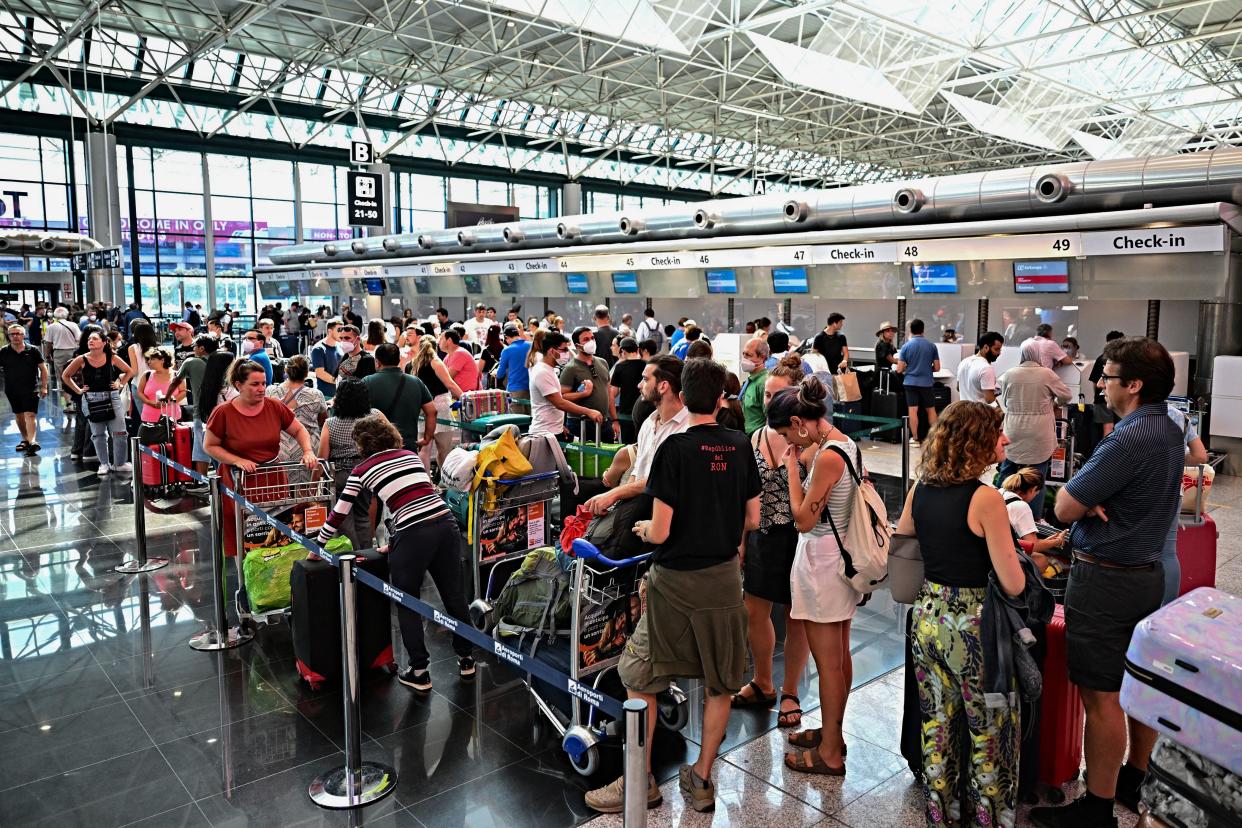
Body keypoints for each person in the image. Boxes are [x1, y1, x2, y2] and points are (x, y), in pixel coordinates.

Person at [585, 358, 760, 815]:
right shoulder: (742, 445)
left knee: (639, 673)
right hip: (723, 580)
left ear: (681, 392)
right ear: (721, 398)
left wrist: (642, 529)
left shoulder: (675, 450)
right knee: (721, 682)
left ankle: (640, 782)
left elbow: (661, 530)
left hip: (674, 581)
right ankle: (701, 779)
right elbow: (754, 518)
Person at [1030, 338, 1186, 828]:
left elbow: (1063, 506)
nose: (1100, 382)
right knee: (1139, 686)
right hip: (1149, 573)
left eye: (1109, 375)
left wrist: (1087, 496)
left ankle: (1096, 808)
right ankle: (1132, 778)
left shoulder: (1131, 436)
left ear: (1134, 385)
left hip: (1108, 581)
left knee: (1102, 697)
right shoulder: (1169, 426)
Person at [894, 401, 1026, 827]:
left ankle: (940, 811)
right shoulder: (986, 499)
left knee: (936, 726)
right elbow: (1013, 583)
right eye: (997, 433)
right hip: (974, 630)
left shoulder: (921, 488)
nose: (1004, 440)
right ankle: (988, 818)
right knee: (989, 731)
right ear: (977, 442)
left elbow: (903, 546)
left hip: (927, 619)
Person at [318, 414, 477, 687]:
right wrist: (395, 543)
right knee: (454, 596)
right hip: (445, 524)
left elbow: (339, 513)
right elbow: (416, 495)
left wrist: (318, 546)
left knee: (407, 599)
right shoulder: (409, 455)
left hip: (413, 534)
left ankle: (419, 671)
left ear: (361, 444)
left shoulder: (361, 470)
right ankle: (466, 659)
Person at [766, 376, 862, 777]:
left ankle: (830, 754)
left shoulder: (826, 456)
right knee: (838, 655)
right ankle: (832, 735)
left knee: (828, 664)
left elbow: (804, 520)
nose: (790, 440)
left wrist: (790, 468)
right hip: (837, 563)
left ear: (799, 421)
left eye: (789, 432)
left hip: (823, 564)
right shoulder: (845, 443)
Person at [732, 355, 810, 730]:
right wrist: (742, 540)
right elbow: (748, 494)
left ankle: (791, 689)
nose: (768, 402)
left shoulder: (810, 442)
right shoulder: (755, 437)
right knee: (755, 611)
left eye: (778, 395)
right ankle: (763, 680)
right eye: (766, 395)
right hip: (764, 534)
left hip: (802, 537)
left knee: (798, 616)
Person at [204, 360, 318, 558]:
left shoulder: (274, 407)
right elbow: (210, 445)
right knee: (245, 533)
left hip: (272, 478)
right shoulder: (223, 412)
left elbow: (299, 429)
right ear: (239, 385)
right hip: (238, 480)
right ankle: (244, 576)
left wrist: (308, 450)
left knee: (275, 531)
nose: (261, 389)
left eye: (264, 383)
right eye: (255, 384)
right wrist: (236, 460)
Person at [997, 342, 1072, 520]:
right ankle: (1033, 520)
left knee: (1007, 470)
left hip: (1014, 428)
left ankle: (998, 510)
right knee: (1036, 478)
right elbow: (1066, 395)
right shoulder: (1047, 374)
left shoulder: (1010, 373)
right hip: (1040, 432)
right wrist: (1053, 403)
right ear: (1038, 354)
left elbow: (1004, 399)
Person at [317, 378, 381, 550]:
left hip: (340, 475)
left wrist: (314, 478)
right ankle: (368, 557)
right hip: (367, 472)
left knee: (344, 520)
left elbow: (322, 457)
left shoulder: (330, 423)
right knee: (363, 516)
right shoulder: (374, 416)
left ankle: (353, 559)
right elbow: (392, 438)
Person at [61, 331, 135, 474]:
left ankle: (120, 463)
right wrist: (78, 390)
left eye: (95, 339)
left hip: (112, 397)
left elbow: (129, 371)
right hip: (90, 398)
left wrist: (120, 384)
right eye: (89, 339)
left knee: (120, 432)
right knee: (98, 434)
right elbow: (65, 375)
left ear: (104, 342)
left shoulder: (112, 357)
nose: (91, 341)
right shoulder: (82, 359)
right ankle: (104, 464)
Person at [1160, 406, 1208, 604]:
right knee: (1168, 552)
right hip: (1173, 490)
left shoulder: (1137, 410)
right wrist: (1178, 458)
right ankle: (1167, 609)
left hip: (1143, 491)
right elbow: (1200, 456)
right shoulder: (1178, 414)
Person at [167, 334, 221, 486]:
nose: (193, 349)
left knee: (201, 448)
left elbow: (176, 381)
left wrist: (166, 397)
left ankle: (202, 482)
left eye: (195, 346)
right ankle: (223, 480)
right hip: (221, 411)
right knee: (217, 446)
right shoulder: (221, 361)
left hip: (201, 412)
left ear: (202, 348)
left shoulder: (191, 362)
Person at [526, 330, 603, 438]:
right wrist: (589, 411)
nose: (567, 353)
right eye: (564, 350)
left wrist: (559, 426)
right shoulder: (542, 372)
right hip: (544, 434)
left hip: (553, 431)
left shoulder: (549, 369)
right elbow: (559, 403)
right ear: (552, 351)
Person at [364, 343, 435, 454]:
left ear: (377, 362)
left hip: (376, 447)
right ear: (399, 360)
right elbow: (432, 411)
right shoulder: (416, 382)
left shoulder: (367, 381)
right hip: (408, 447)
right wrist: (427, 438)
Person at [409, 335, 463, 473]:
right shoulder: (436, 362)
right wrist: (465, 397)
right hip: (441, 408)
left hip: (422, 409)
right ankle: (445, 480)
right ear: (434, 347)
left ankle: (426, 481)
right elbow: (449, 383)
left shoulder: (412, 364)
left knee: (424, 450)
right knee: (444, 450)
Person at [560, 326, 620, 441]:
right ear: (577, 346)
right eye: (586, 339)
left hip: (604, 422)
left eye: (592, 338)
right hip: (580, 424)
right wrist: (583, 394)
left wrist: (615, 420)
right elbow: (562, 398)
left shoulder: (602, 363)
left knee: (606, 458)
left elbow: (609, 393)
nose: (591, 341)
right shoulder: (570, 368)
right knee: (583, 458)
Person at [1001, 468, 1069, 567]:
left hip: (986, 544)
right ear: (1033, 489)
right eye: (1036, 494)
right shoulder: (1021, 506)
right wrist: (1058, 541)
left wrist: (1046, 542)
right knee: (1041, 560)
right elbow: (1033, 546)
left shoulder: (1001, 491)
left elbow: (1025, 544)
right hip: (997, 554)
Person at [265, 354, 327, 463]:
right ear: (307, 373)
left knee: (282, 480)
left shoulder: (271, 391)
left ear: (285, 370)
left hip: (280, 449)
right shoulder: (316, 395)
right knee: (310, 481)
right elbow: (323, 421)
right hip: (309, 452)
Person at [1, 324, 49, 454]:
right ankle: (25, 439)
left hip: (31, 388)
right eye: (12, 334)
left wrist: (44, 386)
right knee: (19, 415)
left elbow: (43, 369)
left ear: (24, 335)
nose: (15, 336)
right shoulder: (3, 351)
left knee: (30, 414)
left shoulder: (33, 350)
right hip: (12, 389)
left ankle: (33, 441)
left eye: (18, 333)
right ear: (9, 336)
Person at [895, 318, 941, 446]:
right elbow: (937, 367)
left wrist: (908, 368)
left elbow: (899, 369)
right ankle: (936, 439)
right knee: (931, 410)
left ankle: (915, 439)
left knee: (912, 410)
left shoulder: (906, 347)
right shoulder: (931, 346)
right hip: (926, 383)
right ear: (923, 330)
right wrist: (927, 368)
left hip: (910, 383)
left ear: (911, 330)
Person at [1089, 331, 1126, 437]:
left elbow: (1095, 382)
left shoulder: (1101, 359)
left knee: (1108, 427)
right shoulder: (1123, 360)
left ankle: (1107, 451)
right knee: (1120, 427)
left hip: (1102, 398)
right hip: (1119, 397)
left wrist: (1096, 397)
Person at [609, 337, 644, 443]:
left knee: (627, 451)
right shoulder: (646, 365)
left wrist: (614, 420)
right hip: (643, 415)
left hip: (625, 417)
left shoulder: (620, 367)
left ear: (622, 350)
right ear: (638, 350)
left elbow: (611, 395)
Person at [135, 347, 184, 423]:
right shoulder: (147, 375)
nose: (149, 362)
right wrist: (149, 402)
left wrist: (169, 401)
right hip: (148, 419)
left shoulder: (176, 375)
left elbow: (183, 391)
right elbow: (139, 392)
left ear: (162, 360)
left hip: (173, 418)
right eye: (149, 359)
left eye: (152, 359)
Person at [46, 307, 81, 404]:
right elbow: (79, 339)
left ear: (55, 315)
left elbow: (48, 343)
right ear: (66, 314)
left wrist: (47, 355)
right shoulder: (73, 325)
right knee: (74, 375)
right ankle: (76, 400)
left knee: (62, 377)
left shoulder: (51, 326)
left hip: (59, 353)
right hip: (73, 352)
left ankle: (68, 402)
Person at [957, 332, 1005, 404]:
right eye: (996, 349)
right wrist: (999, 393)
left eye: (1000, 350)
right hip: (979, 413)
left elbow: (958, 388)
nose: (999, 353)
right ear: (986, 347)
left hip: (964, 411)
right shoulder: (986, 368)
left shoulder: (964, 362)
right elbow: (989, 399)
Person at [495, 324, 531, 413]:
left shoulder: (507, 350)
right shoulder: (531, 345)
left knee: (518, 420)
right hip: (531, 387)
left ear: (506, 337)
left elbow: (500, 374)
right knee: (531, 419)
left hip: (515, 389)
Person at [739, 337, 770, 436]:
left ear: (762, 357)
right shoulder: (750, 378)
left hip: (756, 439)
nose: (744, 359)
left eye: (749, 355)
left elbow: (769, 419)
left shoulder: (764, 383)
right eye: (743, 354)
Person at [310, 318, 343, 399]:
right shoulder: (318, 349)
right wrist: (339, 382)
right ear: (330, 331)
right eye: (339, 330)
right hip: (325, 395)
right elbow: (320, 373)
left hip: (340, 395)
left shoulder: (340, 346)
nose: (342, 333)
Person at [439, 328, 478, 393]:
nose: (438, 342)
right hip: (460, 397)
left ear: (449, 340)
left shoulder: (459, 353)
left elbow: (446, 378)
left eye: (441, 339)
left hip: (467, 397)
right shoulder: (448, 356)